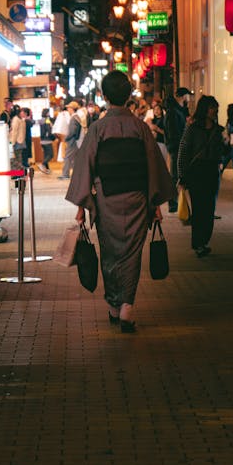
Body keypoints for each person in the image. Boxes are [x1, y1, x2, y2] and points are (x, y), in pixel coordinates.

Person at [66, 71, 176, 334]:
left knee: (111, 253)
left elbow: (85, 168)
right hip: (137, 199)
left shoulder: (98, 129)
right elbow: (153, 167)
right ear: (129, 96)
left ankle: (115, 306)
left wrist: (82, 206)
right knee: (132, 254)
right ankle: (126, 305)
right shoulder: (140, 128)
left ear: (104, 97)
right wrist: (156, 204)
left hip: (107, 199)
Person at [177, 95, 228, 258]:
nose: (216, 111)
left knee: (209, 208)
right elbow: (183, 152)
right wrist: (182, 175)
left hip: (212, 171)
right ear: (205, 109)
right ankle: (198, 243)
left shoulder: (218, 130)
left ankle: (204, 240)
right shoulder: (193, 129)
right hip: (197, 172)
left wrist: (224, 148)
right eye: (213, 107)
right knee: (199, 208)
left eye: (216, 108)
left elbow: (222, 152)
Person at [164, 86, 192, 212]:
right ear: (182, 96)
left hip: (179, 146)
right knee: (175, 175)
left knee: (177, 174)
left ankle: (175, 202)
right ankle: (173, 203)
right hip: (176, 147)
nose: (189, 99)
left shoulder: (180, 110)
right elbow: (173, 132)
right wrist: (178, 144)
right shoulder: (173, 111)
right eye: (187, 96)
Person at [59, 101, 84, 180]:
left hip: (72, 141)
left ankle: (65, 174)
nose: (68, 110)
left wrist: (66, 138)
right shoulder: (77, 117)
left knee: (68, 157)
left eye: (69, 108)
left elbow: (72, 131)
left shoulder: (73, 118)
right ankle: (78, 174)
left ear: (72, 109)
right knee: (75, 158)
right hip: (76, 141)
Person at [38, 107, 55, 174]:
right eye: (48, 112)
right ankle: (42, 164)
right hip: (47, 140)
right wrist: (53, 137)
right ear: (46, 113)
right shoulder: (47, 120)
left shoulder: (41, 120)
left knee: (46, 155)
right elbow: (48, 129)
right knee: (51, 155)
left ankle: (47, 169)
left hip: (42, 140)